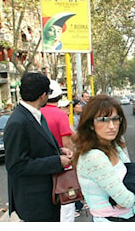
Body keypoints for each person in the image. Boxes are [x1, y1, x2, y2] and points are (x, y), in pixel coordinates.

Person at [4, 72, 73, 222]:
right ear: (43, 95)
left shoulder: (36, 115)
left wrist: (59, 150)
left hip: (47, 196)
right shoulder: (18, 122)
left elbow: (38, 147)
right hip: (34, 202)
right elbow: (16, 166)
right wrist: (56, 162)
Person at [72, 95, 135, 222]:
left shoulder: (114, 146)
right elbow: (127, 200)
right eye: (103, 120)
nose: (112, 126)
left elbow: (133, 172)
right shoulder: (93, 157)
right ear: (91, 124)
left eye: (115, 119)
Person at [41, 80, 76, 221]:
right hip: (62, 165)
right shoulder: (60, 115)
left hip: (42, 167)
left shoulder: (35, 113)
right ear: (60, 97)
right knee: (67, 205)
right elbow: (67, 143)